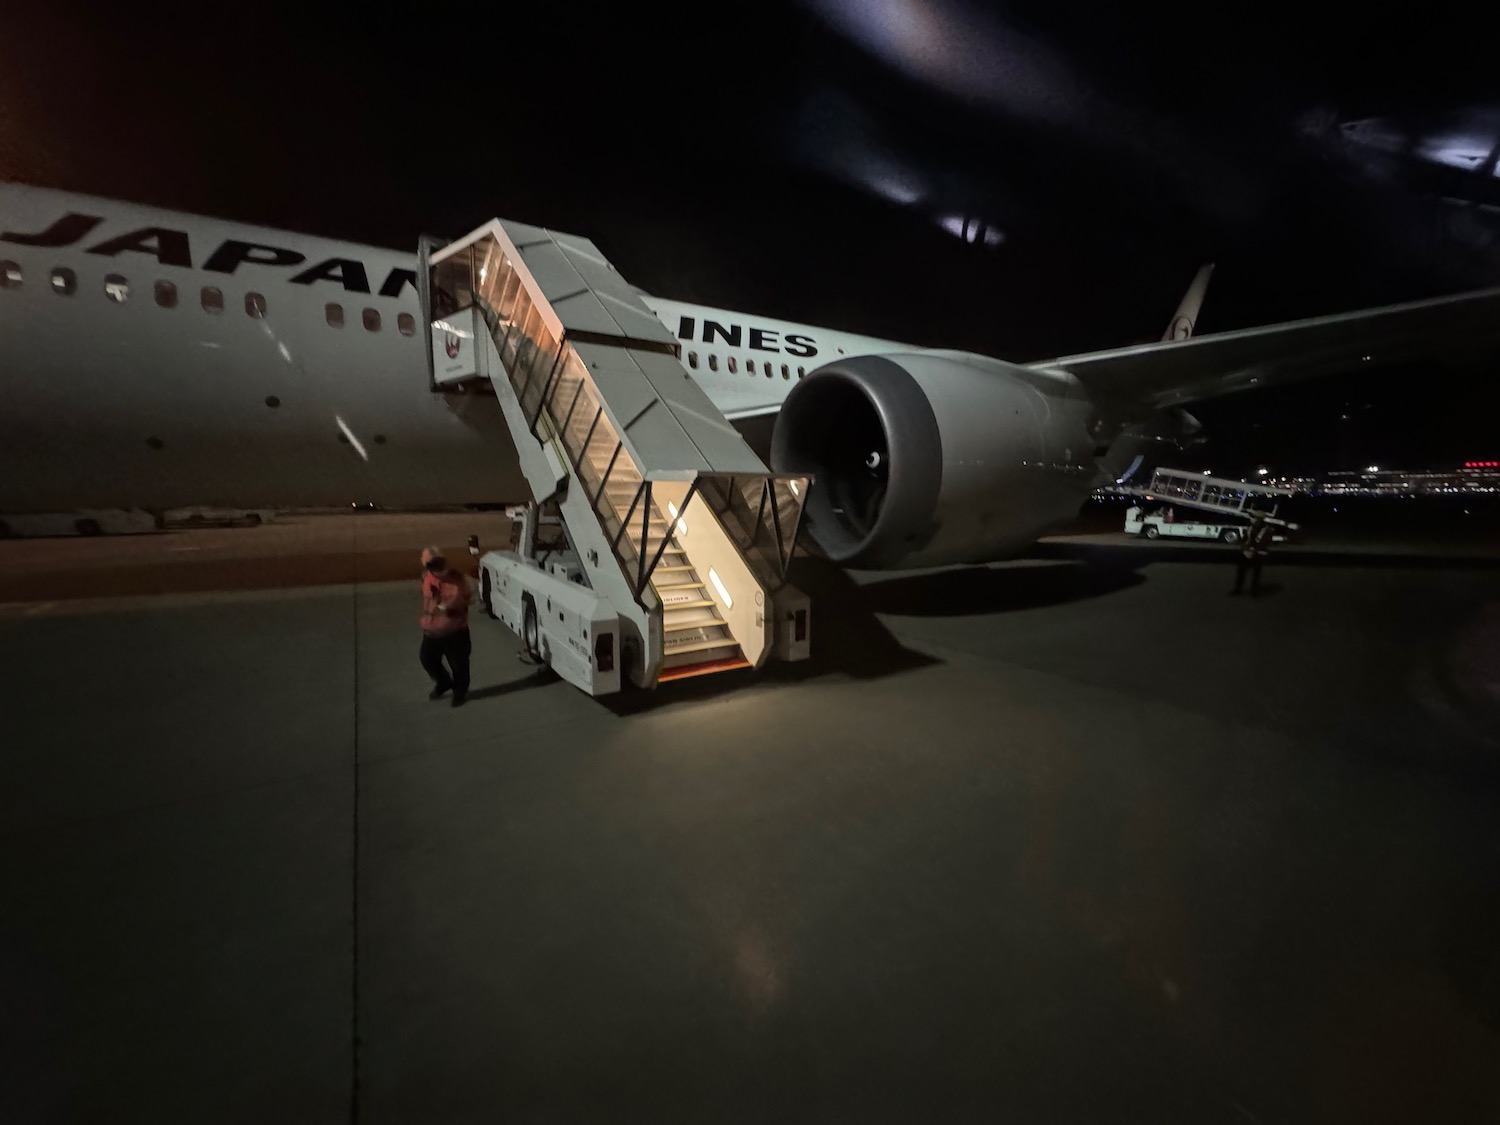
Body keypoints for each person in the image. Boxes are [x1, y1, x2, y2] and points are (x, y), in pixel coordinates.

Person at [419, 545, 472, 706]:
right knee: (427, 659)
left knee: (459, 665)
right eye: (432, 565)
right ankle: (444, 682)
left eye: (439, 563)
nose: (437, 568)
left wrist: (446, 606)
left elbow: (465, 596)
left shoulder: (457, 579)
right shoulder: (428, 578)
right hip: (433, 631)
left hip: (455, 631)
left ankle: (459, 692)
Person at [1231, 516, 1275, 597]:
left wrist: (1254, 550)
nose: (1251, 519)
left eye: (1254, 518)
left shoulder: (1267, 530)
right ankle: (1238, 590)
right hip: (1246, 552)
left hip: (1257, 554)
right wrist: (1240, 543)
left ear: (1259, 519)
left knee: (1256, 574)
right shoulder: (1251, 527)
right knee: (1241, 572)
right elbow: (1245, 538)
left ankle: (1254, 592)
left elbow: (1266, 542)